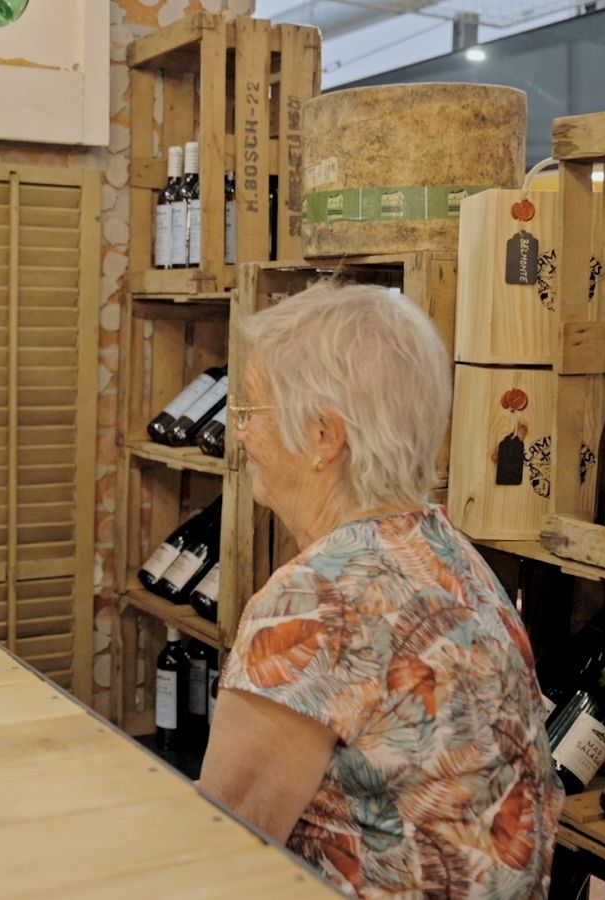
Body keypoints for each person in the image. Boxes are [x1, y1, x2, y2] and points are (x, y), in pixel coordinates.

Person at [198, 282, 563, 898]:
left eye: (251, 412)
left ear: (322, 437)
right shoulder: (448, 552)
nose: (240, 434)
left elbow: (218, 850)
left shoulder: (316, 601)